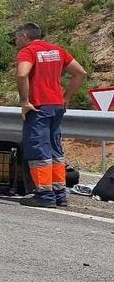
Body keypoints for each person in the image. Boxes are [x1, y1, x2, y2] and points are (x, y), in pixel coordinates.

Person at [14, 22, 87, 208]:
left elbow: (22, 74)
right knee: (55, 149)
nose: (15, 40)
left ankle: (44, 195)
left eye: (16, 37)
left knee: (39, 149)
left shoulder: (28, 51)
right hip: (56, 106)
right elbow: (80, 73)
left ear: (24, 36)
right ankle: (59, 193)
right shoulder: (57, 50)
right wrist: (66, 97)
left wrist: (24, 102)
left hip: (38, 107)